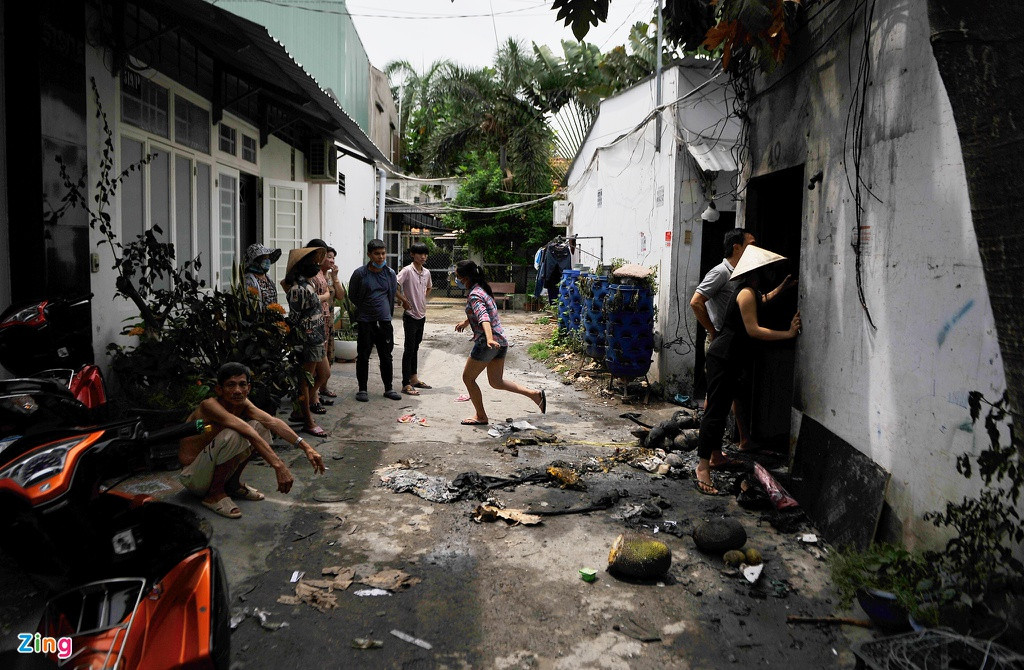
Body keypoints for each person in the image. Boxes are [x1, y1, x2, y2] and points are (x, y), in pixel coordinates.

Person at [695, 246, 801, 495]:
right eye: (769, 270)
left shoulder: (749, 291)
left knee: (719, 411)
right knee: (715, 413)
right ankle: (703, 468)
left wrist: (780, 289)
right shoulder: (746, 293)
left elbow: (760, 302)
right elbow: (753, 329)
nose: (771, 274)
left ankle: (716, 458)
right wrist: (788, 333)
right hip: (724, 356)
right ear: (759, 272)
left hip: (729, 357)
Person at [178, 362, 325, 519]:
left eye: (242, 385)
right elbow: (246, 431)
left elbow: (272, 422)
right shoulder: (210, 406)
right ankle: (214, 495)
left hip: (209, 469)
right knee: (235, 434)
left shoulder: (242, 402)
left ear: (248, 388)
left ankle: (233, 485)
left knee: (259, 426)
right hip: (193, 477)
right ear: (219, 390)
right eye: (230, 385)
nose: (237, 391)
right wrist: (279, 466)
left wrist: (306, 447)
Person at [453, 260, 546, 425]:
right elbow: (481, 312)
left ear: (466, 278)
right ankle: (534, 394)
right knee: (496, 382)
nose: (457, 280)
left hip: (488, 343)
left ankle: (481, 416)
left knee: (468, 378)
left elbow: (484, 318)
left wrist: (488, 338)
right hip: (501, 341)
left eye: (458, 276)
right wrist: (466, 322)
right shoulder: (482, 290)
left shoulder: (475, 294)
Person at [348, 239, 405, 402]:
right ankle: (362, 390)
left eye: (383, 253)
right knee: (363, 355)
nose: (380, 257)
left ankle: (389, 388)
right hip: (366, 321)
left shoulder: (390, 273)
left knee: (386, 356)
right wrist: (366, 309)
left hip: (384, 322)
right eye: (376, 254)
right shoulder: (360, 274)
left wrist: (385, 314)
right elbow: (353, 295)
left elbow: (391, 294)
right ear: (369, 255)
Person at [282, 246, 330, 437]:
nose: (315, 265)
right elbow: (295, 316)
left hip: (317, 338)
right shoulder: (298, 289)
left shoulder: (308, 284)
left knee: (324, 374)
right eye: (311, 262)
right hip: (308, 339)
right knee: (305, 380)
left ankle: (299, 410)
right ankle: (307, 421)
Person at [305, 239, 340, 410]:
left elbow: (340, 295)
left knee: (324, 365)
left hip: (324, 321)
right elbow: (290, 286)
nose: (328, 259)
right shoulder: (308, 272)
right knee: (313, 367)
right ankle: (310, 401)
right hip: (312, 323)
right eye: (325, 255)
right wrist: (324, 296)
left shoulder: (321, 273)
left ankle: (313, 397)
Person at [397, 242, 433, 395]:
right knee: (409, 349)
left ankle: (414, 379)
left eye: (425, 254)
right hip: (410, 316)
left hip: (421, 315)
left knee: (416, 348)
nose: (423, 257)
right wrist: (404, 300)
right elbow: (393, 285)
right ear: (412, 254)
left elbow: (429, 287)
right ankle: (405, 383)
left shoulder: (426, 273)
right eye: (420, 254)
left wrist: (422, 298)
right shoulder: (407, 271)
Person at [243, 243, 282, 308]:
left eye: (268, 258)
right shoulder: (248, 280)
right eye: (264, 258)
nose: (267, 261)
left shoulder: (268, 278)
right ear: (255, 261)